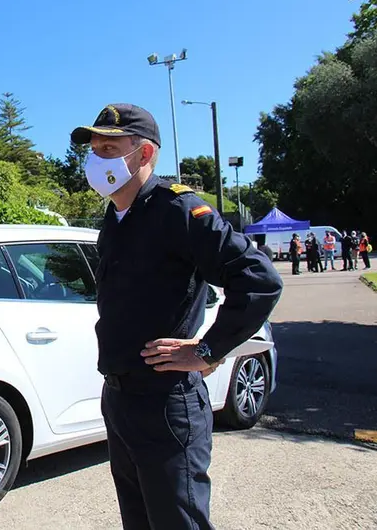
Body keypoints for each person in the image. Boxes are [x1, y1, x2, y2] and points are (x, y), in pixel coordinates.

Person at [70, 104, 283, 530]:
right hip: (120, 397)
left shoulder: (178, 210)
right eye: (93, 147)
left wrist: (207, 349)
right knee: (139, 520)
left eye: (109, 148)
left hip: (166, 404)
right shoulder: (115, 215)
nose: (96, 157)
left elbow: (259, 279)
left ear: (144, 154)